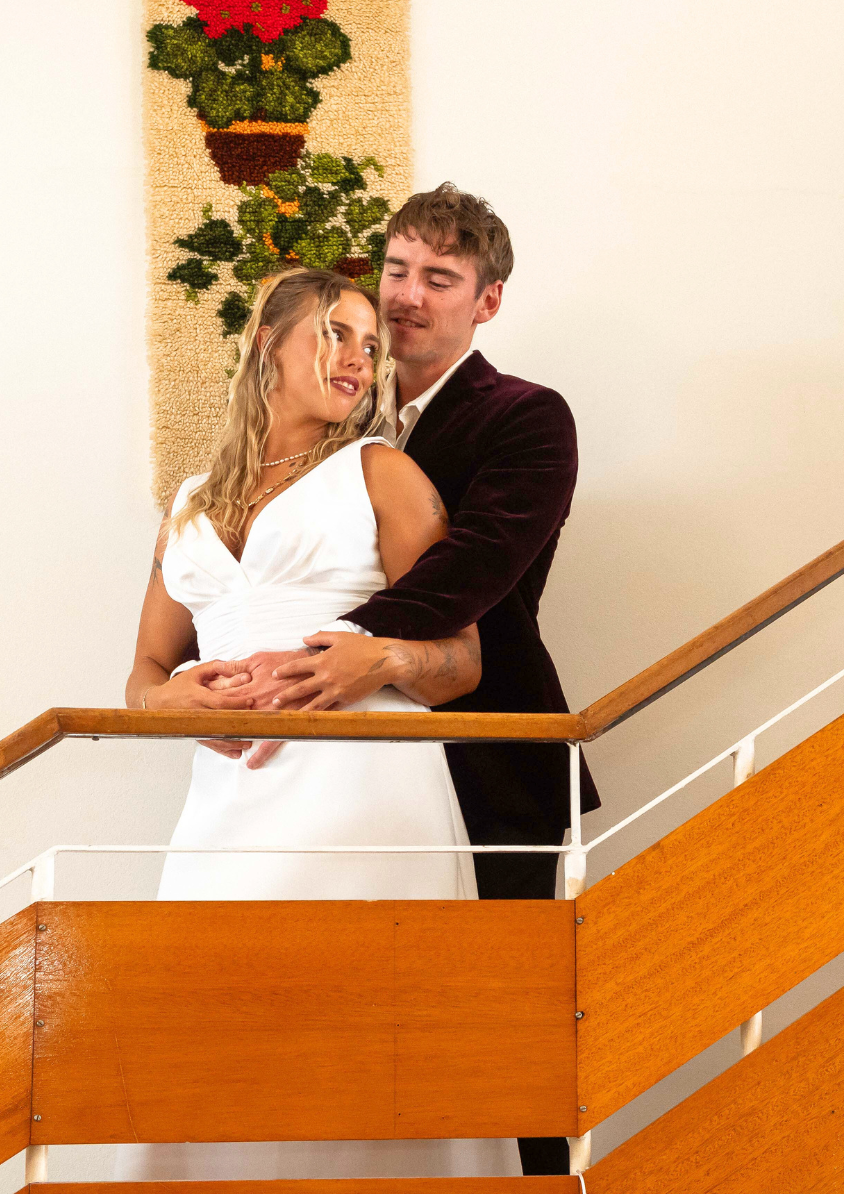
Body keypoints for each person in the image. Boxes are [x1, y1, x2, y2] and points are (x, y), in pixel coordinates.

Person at [208, 183, 600, 1177]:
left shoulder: (525, 417)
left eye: (440, 277)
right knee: (350, 1025)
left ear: (488, 301)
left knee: (504, 1034)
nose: (408, 296)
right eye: (393, 271)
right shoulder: (334, 415)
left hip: (494, 758)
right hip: (340, 775)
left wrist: (314, 652)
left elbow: (469, 569)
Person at [118, 264, 521, 1179]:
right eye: (336, 333)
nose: (359, 357)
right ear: (270, 341)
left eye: (371, 344)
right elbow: (142, 674)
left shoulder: (381, 473)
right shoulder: (188, 504)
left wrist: (369, 662)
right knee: (208, 1017)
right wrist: (176, 703)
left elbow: (462, 659)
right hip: (225, 792)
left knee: (357, 1027)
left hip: (362, 779)